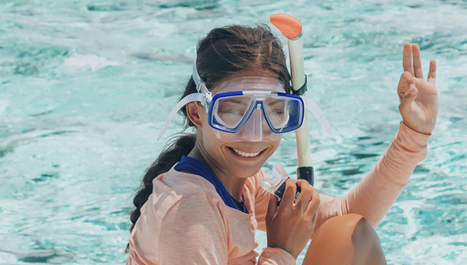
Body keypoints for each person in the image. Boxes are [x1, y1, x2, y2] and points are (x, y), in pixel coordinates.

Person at [127, 24, 439, 264]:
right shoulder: (190, 209)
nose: (254, 134)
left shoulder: (246, 184)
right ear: (197, 112)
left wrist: (411, 137)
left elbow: (348, 215)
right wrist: (280, 251)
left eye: (274, 112)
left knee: (348, 232)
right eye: (233, 111)